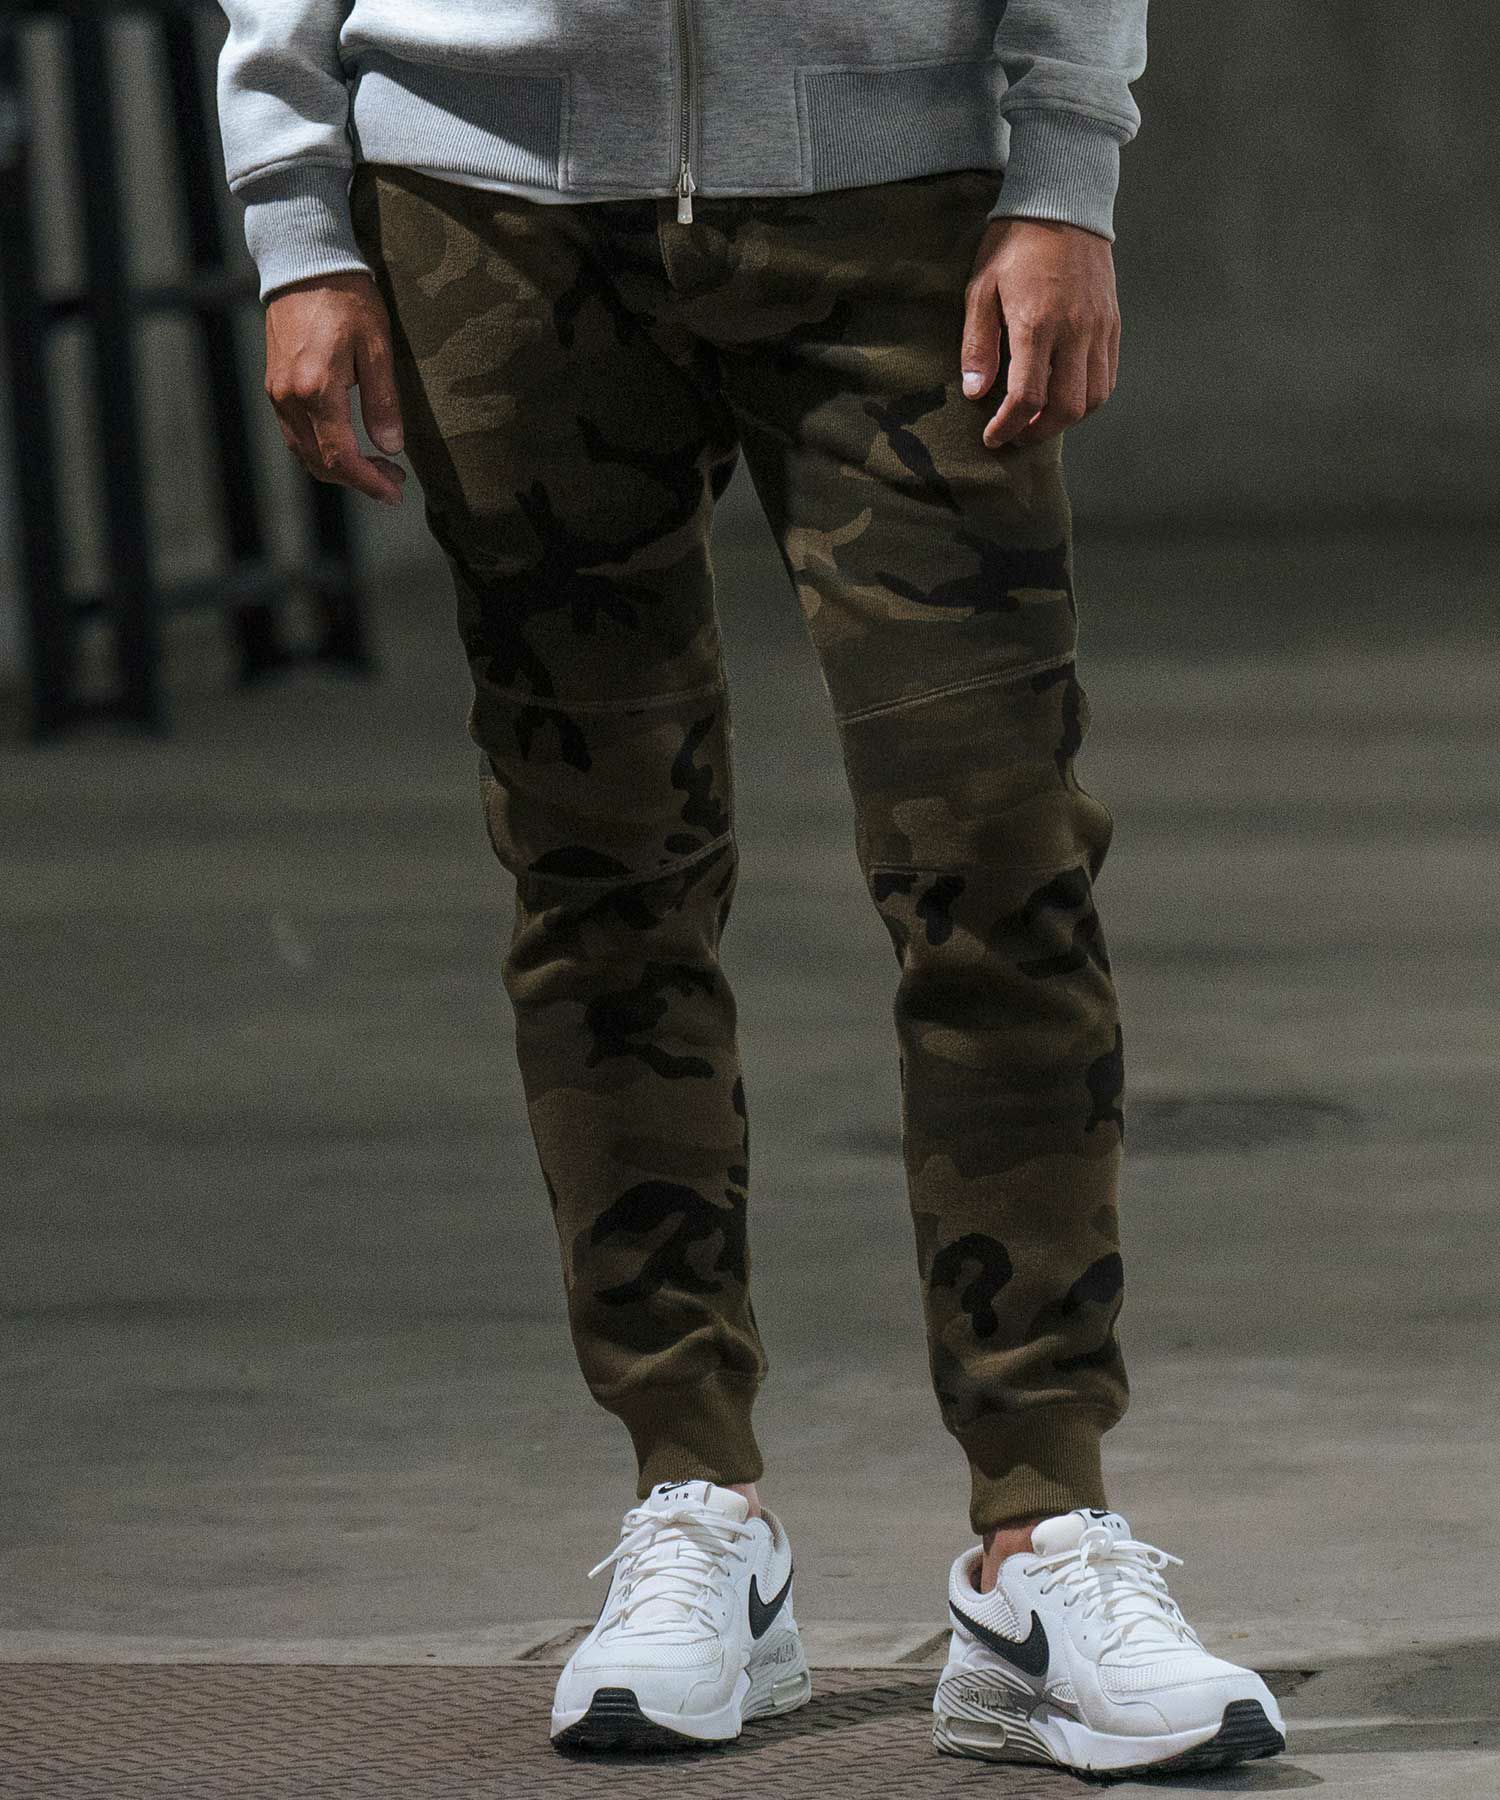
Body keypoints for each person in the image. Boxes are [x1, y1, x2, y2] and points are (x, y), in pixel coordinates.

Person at [215, 0, 1286, 1777]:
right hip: (487, 195)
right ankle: (695, 1504)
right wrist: (298, 217)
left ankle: (1039, 1534)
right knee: (600, 874)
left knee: (997, 860)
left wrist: (1064, 175)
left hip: (897, 194)